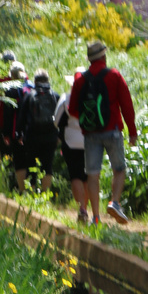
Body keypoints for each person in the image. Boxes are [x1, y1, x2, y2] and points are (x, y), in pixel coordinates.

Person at [68, 38, 138, 225]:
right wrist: (132, 132)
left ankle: (96, 217)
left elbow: (72, 109)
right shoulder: (114, 75)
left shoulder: (80, 80)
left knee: (93, 175)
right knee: (119, 169)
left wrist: (88, 122)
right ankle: (114, 202)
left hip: (90, 134)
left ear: (89, 59)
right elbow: (127, 105)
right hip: (113, 131)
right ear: (104, 56)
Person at [54, 67, 90, 223]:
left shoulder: (66, 98)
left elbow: (56, 121)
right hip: (90, 141)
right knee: (87, 177)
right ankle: (86, 208)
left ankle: (81, 209)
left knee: (75, 175)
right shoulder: (92, 98)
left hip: (70, 142)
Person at [16, 69, 59, 194]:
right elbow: (60, 117)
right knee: (47, 165)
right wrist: (59, 135)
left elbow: (22, 117)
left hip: (32, 136)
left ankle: (32, 193)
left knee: (31, 164)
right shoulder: (55, 95)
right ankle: (45, 194)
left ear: (35, 81)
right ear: (47, 80)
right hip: (50, 137)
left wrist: (19, 134)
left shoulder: (29, 95)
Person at [1, 62, 33, 192]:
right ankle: (34, 190)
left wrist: (6, 134)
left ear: (12, 76)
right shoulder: (32, 87)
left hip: (17, 131)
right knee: (31, 160)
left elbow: (7, 114)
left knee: (19, 161)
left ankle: (22, 191)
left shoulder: (11, 90)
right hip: (33, 131)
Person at [0, 50, 17, 161]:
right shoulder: (21, 77)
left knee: (5, 156)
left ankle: (7, 176)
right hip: (18, 122)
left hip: (2, 123)